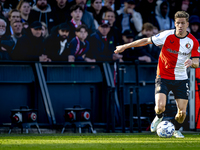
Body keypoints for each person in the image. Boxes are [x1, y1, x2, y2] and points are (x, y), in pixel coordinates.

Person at [114, 11, 200, 138]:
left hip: (181, 78)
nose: (180, 26)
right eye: (178, 23)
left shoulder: (193, 42)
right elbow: (145, 40)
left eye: (183, 23)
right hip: (163, 76)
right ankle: (159, 117)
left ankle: (175, 129)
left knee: (182, 113)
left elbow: (197, 62)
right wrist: (125, 46)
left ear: (187, 24)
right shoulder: (166, 35)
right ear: (175, 24)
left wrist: (191, 62)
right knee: (160, 107)